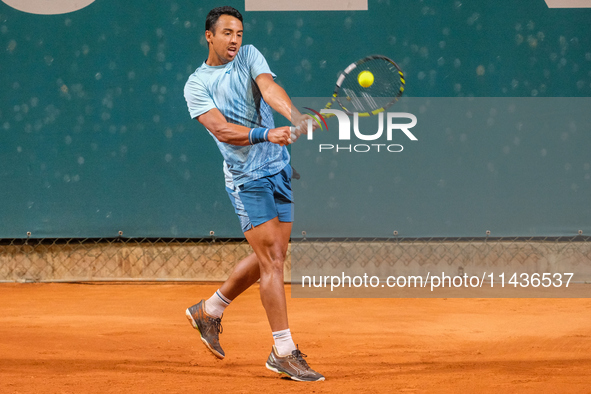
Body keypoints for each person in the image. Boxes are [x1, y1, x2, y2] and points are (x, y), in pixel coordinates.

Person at [182, 6, 324, 382]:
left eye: (239, 33)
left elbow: (269, 88)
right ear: (209, 36)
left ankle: (209, 309)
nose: (235, 40)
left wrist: (293, 116)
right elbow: (223, 130)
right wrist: (265, 133)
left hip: (278, 168)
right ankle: (284, 350)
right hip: (247, 179)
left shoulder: (249, 55)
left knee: (274, 255)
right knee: (273, 261)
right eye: (227, 33)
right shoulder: (196, 84)